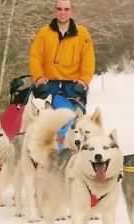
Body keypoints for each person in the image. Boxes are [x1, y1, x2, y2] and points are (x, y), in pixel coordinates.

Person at [29, 0, 95, 146]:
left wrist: (84, 81)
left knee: (72, 119)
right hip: (48, 84)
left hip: (73, 85)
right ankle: (47, 151)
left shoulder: (82, 34)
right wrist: (39, 77)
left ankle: (66, 151)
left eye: (66, 9)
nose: (63, 12)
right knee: (46, 120)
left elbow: (88, 59)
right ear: (54, 11)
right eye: (59, 9)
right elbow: (35, 57)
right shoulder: (44, 33)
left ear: (72, 12)